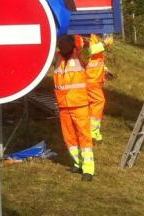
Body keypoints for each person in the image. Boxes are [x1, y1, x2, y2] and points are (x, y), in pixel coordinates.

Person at [54, 34, 94, 181]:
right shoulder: (57, 57)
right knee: (69, 137)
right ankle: (79, 163)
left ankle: (88, 169)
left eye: (64, 43)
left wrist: (88, 43)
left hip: (79, 104)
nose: (61, 45)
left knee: (84, 136)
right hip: (63, 105)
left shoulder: (80, 56)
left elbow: (88, 53)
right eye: (60, 43)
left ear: (71, 44)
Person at [84, 33, 108, 142]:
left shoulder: (94, 37)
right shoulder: (83, 36)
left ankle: (89, 130)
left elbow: (96, 59)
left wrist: (105, 69)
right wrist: (104, 43)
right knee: (99, 101)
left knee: (91, 104)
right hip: (89, 78)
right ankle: (92, 131)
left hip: (95, 78)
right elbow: (87, 52)